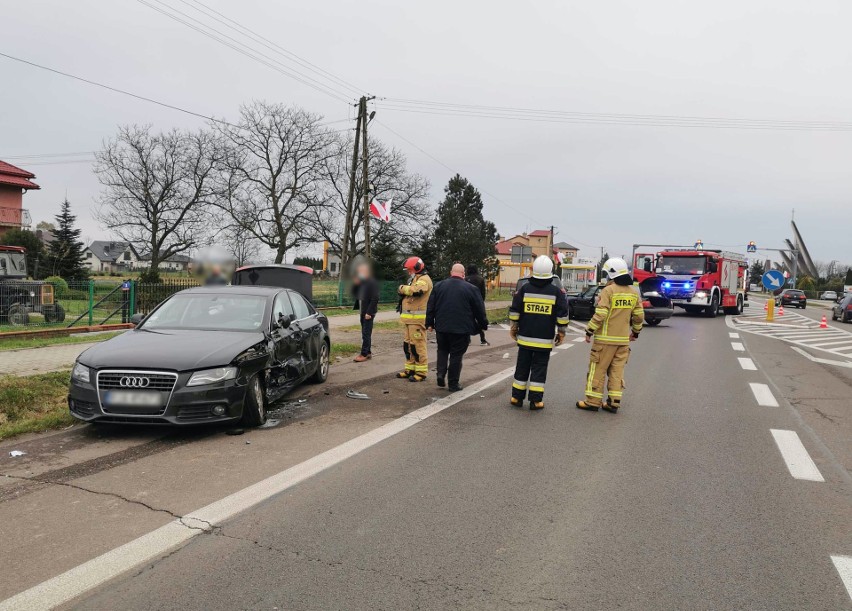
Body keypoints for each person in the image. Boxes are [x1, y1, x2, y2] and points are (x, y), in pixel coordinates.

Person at [576, 257, 644, 414]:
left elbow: (600, 314)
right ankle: (614, 402)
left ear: (612, 274)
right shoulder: (633, 293)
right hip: (622, 342)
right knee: (616, 371)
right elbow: (639, 316)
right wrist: (635, 332)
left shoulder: (608, 291)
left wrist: (589, 330)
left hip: (604, 341)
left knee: (597, 370)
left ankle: (592, 401)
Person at [508, 255, 569, 410]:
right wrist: (561, 333)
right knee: (539, 369)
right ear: (550, 271)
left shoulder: (524, 289)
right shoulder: (556, 293)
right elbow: (562, 317)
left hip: (525, 339)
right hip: (544, 340)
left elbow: (515, 311)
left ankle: (516, 397)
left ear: (533, 270)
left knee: (522, 367)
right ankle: (535, 401)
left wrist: (514, 327)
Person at [426, 263, 489, 391]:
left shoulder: (439, 286)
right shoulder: (471, 289)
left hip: (442, 327)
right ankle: (453, 383)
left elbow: (430, 305)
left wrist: (429, 323)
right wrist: (483, 324)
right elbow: (479, 309)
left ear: (451, 272)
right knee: (456, 355)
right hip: (461, 329)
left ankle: (440, 374)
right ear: (463, 274)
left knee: (442, 350)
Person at [397, 256, 433, 382]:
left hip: (417, 321)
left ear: (417, 268)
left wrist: (402, 288)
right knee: (408, 346)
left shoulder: (424, 280)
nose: (408, 272)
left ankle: (421, 372)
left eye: (410, 269)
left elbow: (416, 291)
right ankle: (410, 369)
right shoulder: (415, 279)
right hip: (409, 320)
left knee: (418, 346)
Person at [352, 261, 379, 362]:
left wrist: (369, 312)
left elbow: (375, 298)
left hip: (368, 312)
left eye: (361, 271)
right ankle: (368, 352)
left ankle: (363, 354)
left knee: (366, 333)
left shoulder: (372, 282)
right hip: (363, 311)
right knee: (365, 332)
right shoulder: (363, 282)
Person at [465, 264, 489, 346]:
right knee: (480, 320)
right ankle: (483, 339)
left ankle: (467, 339)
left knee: (468, 320)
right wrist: (481, 302)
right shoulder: (480, 279)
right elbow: (483, 293)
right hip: (478, 302)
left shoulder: (466, 279)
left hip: (468, 303)